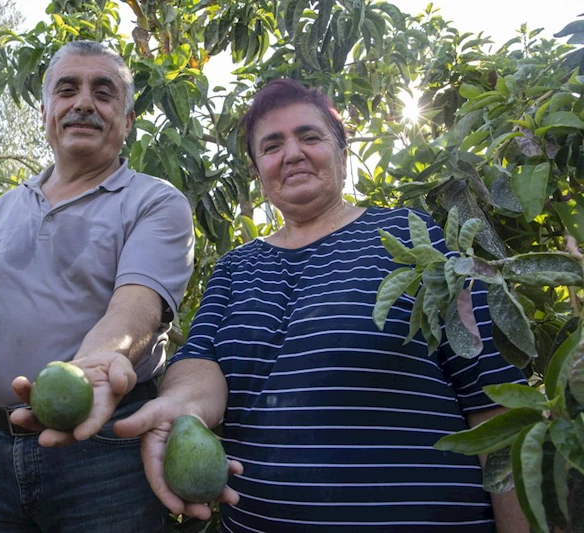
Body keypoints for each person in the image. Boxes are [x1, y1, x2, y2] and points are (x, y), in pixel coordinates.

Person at [113, 78, 530, 532]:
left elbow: (493, 396)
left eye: (309, 137)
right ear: (258, 172)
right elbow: (199, 361)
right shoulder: (235, 267)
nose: (292, 153)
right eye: (272, 146)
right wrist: (182, 406)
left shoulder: (413, 235)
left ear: (342, 155)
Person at [0, 40, 194, 532]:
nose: (84, 102)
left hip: (103, 451)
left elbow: (136, 309)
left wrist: (95, 365)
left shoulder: (155, 202)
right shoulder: (7, 206)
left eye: (104, 92)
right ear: (46, 112)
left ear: (127, 121)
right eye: (67, 90)